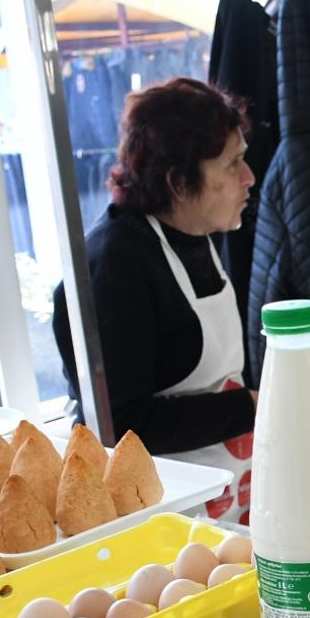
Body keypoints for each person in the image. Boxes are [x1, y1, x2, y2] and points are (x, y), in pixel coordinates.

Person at [52, 77, 258, 463]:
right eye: (233, 164)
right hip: (163, 503)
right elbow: (125, 426)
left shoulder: (196, 230)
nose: (249, 177)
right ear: (179, 182)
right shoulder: (115, 266)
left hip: (224, 480)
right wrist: (248, 407)